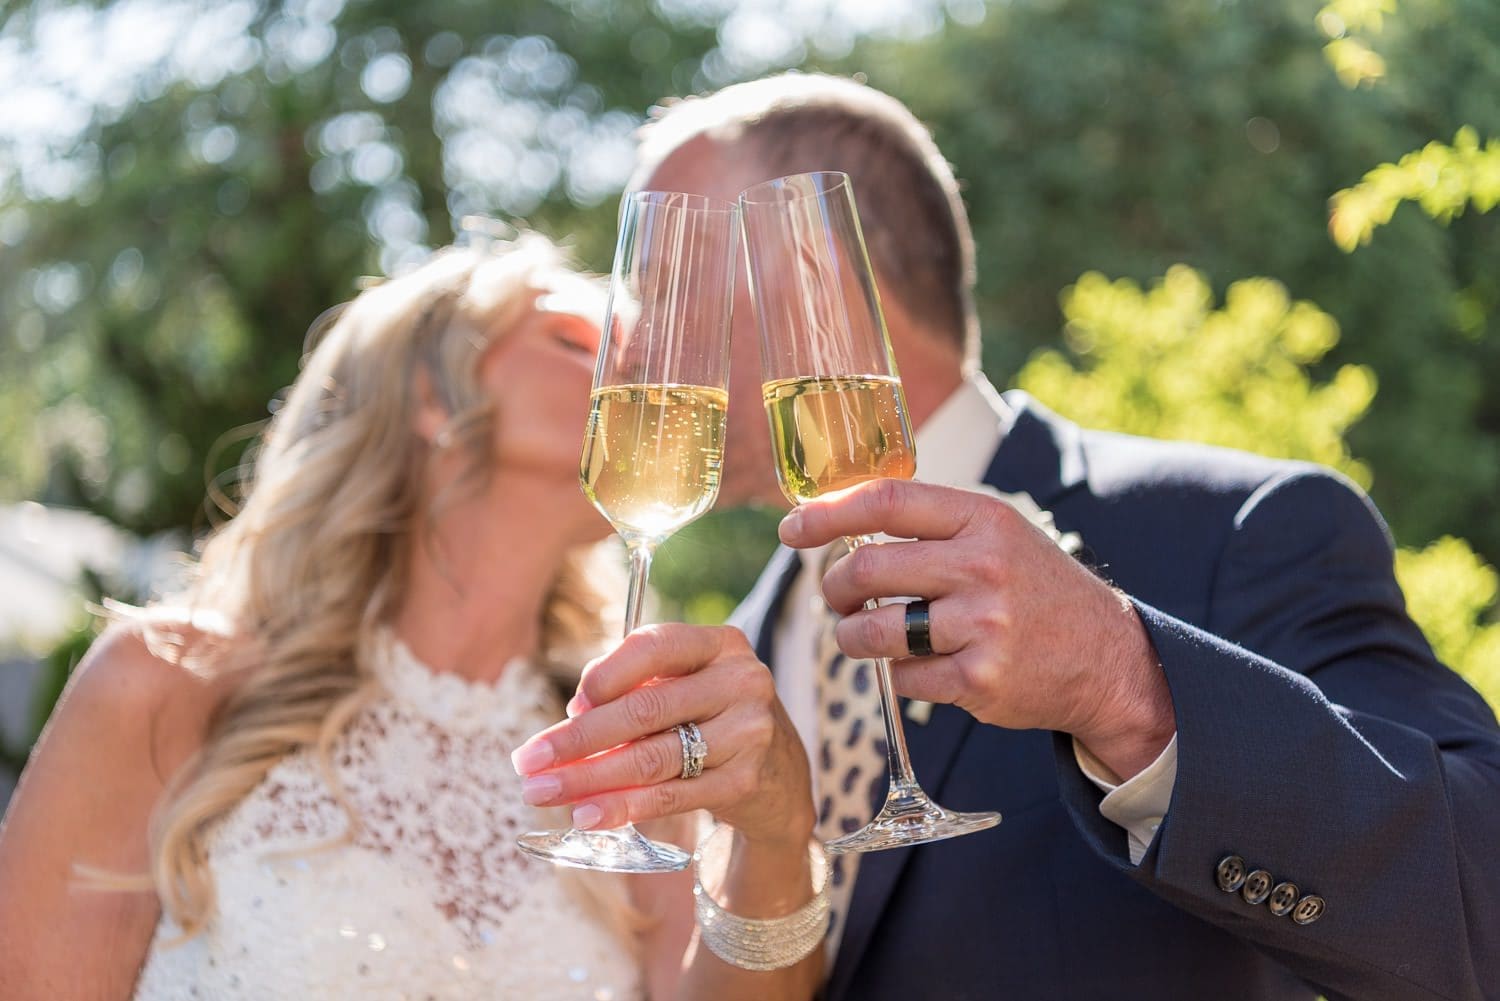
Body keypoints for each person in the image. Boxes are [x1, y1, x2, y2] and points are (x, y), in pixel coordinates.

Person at [531, 72, 1500, 999]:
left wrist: (1128, 682)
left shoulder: (1241, 528)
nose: (625, 341)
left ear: (815, 266)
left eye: (663, 282)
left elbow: (1481, 907)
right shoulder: (726, 666)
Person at [0, 234, 826, 1000]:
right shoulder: (163, 683)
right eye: (577, 341)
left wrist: (778, 838)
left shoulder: (629, 740)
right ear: (433, 392)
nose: (639, 368)